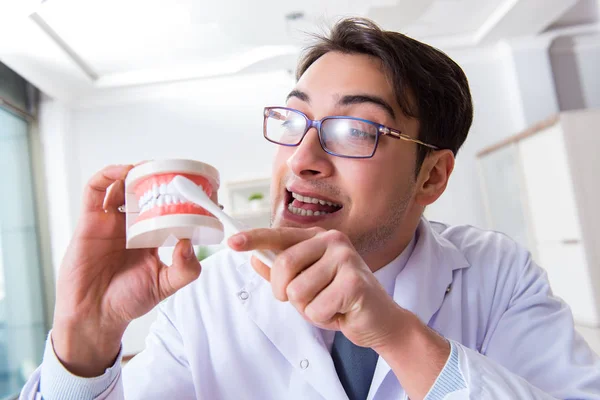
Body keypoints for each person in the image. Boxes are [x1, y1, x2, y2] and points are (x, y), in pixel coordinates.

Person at [20, 17, 600, 400]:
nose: (303, 158)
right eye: (293, 120)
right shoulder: (206, 293)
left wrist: (397, 336)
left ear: (433, 175)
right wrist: (84, 343)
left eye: (354, 129)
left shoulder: (498, 273)